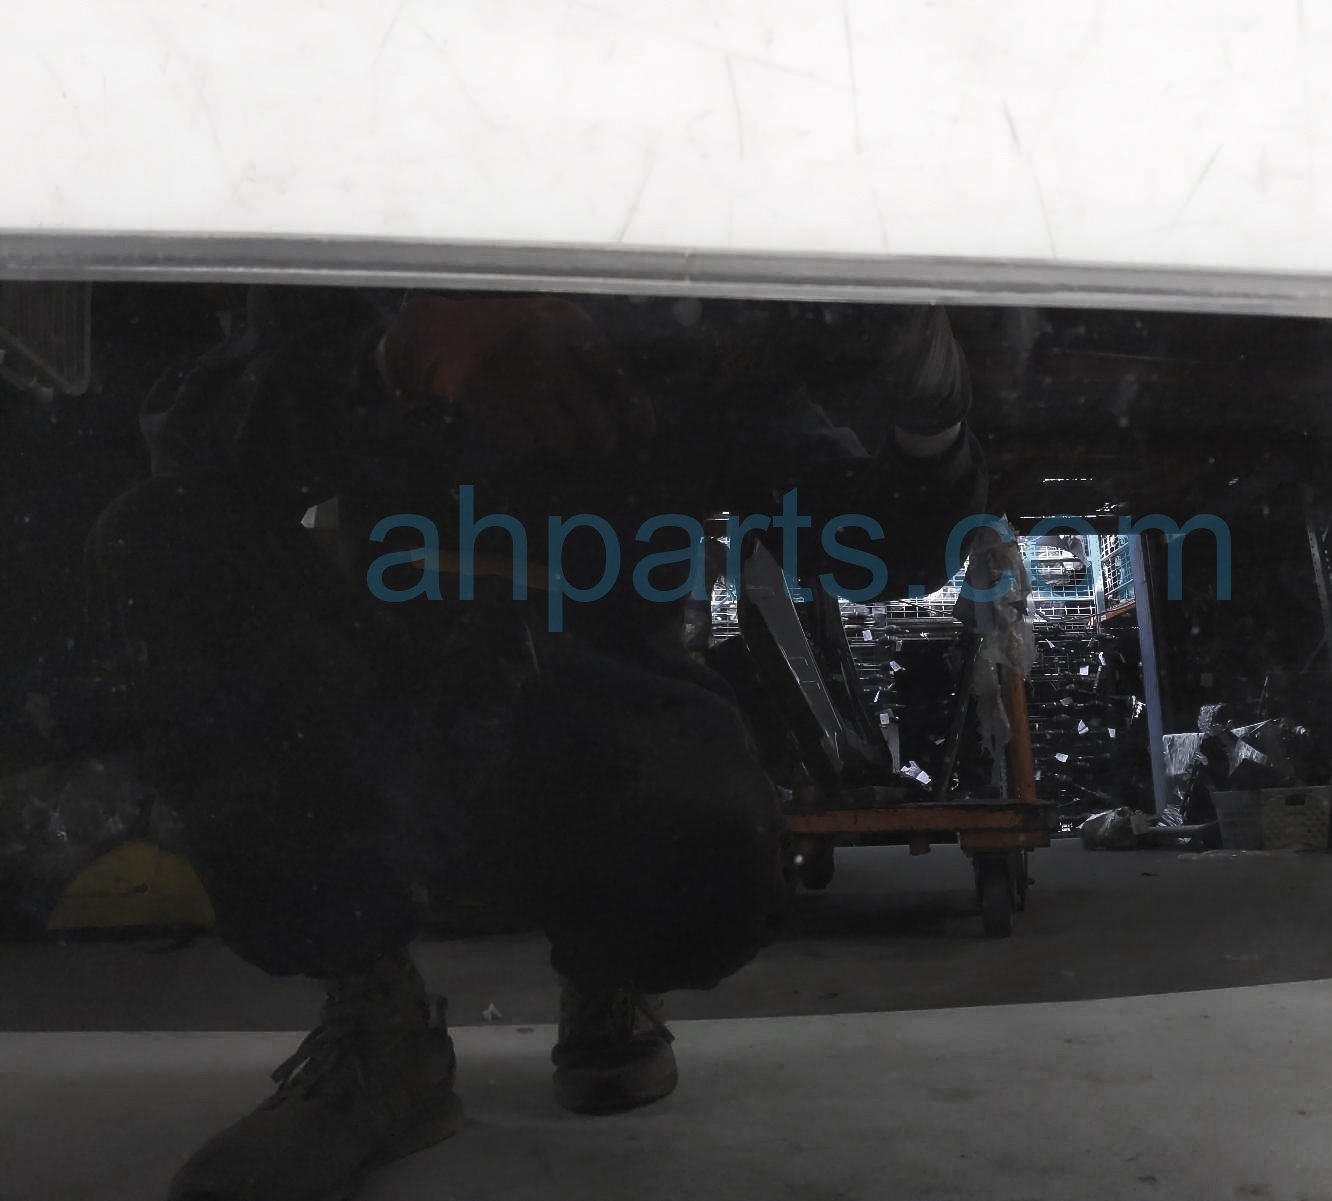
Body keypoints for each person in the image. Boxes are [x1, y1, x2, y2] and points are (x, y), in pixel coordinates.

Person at [86, 286, 986, 1201]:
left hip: (595, 699)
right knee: (160, 533)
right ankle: (378, 1021)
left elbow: (873, 548)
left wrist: (931, 424)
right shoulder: (372, 269)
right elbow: (192, 440)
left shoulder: (678, 340)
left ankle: (610, 962)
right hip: (380, 705)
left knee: (706, 837)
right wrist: (401, 354)